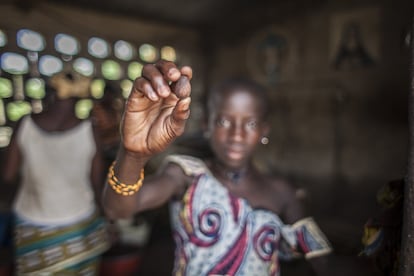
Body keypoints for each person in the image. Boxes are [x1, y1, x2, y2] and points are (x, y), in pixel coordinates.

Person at [103, 59, 333, 275]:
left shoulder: (283, 192)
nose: (236, 135)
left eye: (250, 123)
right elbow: (118, 210)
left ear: (264, 131)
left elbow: (321, 259)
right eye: (224, 121)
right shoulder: (187, 176)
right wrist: (133, 155)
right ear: (207, 125)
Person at [1, 70, 110, 275]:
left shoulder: (24, 124)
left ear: (49, 93)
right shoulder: (90, 129)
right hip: (79, 223)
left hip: (31, 223)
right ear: (79, 98)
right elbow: (96, 183)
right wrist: (107, 217)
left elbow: (8, 176)